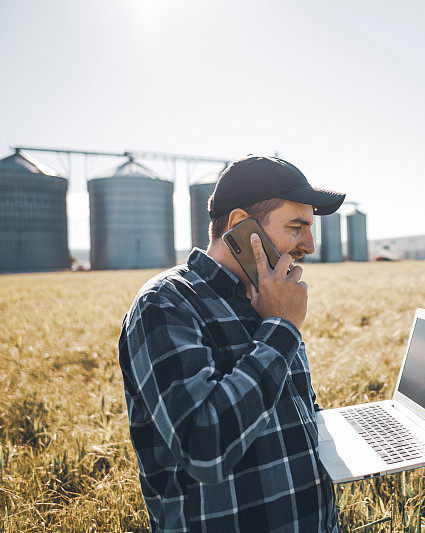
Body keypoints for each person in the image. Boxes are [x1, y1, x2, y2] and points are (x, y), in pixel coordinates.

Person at [119, 155, 346, 532]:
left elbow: (291, 413)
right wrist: (282, 328)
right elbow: (204, 447)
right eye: (296, 226)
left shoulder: (267, 297)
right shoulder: (165, 303)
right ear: (242, 226)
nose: (309, 244)